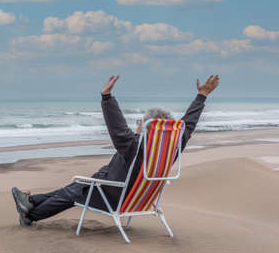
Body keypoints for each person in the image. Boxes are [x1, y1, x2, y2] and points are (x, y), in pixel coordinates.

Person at [12, 75, 220, 226]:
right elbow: (188, 125)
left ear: (146, 127)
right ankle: (30, 201)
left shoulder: (135, 147)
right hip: (139, 198)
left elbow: (117, 128)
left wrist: (107, 98)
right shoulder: (172, 148)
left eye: (140, 122)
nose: (137, 125)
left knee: (75, 191)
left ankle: (30, 215)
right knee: (79, 185)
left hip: (114, 197)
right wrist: (201, 96)